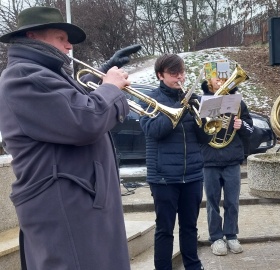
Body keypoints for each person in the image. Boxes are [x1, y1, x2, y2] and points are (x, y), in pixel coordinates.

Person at [0, 6, 141, 269]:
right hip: (64, 205)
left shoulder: (42, 72)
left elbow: (69, 99)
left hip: (76, 199)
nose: (68, 47)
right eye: (60, 38)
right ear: (32, 36)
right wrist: (110, 87)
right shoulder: (23, 77)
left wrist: (105, 69)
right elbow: (84, 120)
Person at [139, 53, 210, 270]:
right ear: (160, 75)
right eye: (173, 73)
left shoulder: (193, 98)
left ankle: (193, 266)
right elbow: (154, 131)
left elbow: (205, 138)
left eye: (182, 72)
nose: (180, 77)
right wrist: (180, 108)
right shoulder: (150, 100)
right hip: (164, 177)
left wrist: (204, 119)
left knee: (189, 227)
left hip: (193, 174)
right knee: (165, 229)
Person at [199, 60, 254, 256]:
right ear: (209, 80)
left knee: (232, 201)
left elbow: (250, 129)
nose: (221, 81)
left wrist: (240, 125)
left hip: (231, 159)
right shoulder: (201, 101)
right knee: (212, 202)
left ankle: (231, 235)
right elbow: (196, 130)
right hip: (210, 159)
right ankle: (216, 237)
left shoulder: (238, 102)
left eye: (224, 77)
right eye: (217, 78)